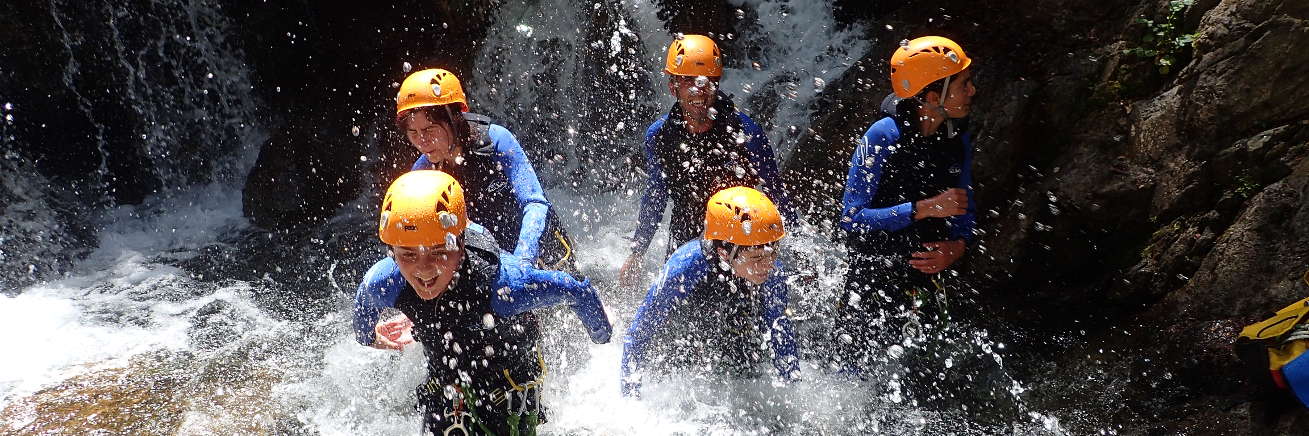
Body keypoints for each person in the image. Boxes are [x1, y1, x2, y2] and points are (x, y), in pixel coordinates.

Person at [353, 170, 612, 435]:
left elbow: (575, 289)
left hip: (511, 373)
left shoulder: (503, 287)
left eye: (439, 252)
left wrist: (602, 336)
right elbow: (363, 302)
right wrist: (367, 336)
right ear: (392, 252)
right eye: (408, 254)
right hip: (447, 376)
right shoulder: (386, 281)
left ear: (461, 244)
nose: (424, 269)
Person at [833, 35, 977, 385]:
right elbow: (851, 220)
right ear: (931, 98)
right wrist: (923, 209)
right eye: (964, 84)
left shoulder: (956, 140)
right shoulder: (882, 136)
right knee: (856, 383)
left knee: (926, 385)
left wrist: (957, 247)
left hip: (926, 278)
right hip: (872, 280)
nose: (971, 91)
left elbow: (964, 204)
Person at [617, 34, 794, 287]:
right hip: (685, 239)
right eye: (688, 80)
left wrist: (795, 254)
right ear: (673, 86)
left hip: (739, 247)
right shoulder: (660, 136)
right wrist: (637, 252)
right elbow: (656, 194)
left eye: (707, 81)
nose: (698, 89)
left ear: (717, 84)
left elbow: (776, 194)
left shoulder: (746, 133)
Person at [621, 186, 798, 397]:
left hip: (734, 310)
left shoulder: (771, 269)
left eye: (773, 253)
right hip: (688, 316)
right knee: (676, 361)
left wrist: (791, 389)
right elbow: (639, 332)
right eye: (758, 258)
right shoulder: (684, 267)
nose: (769, 265)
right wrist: (630, 398)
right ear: (724, 252)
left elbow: (780, 329)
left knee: (746, 363)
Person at [396, 68, 575, 272]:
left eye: (429, 129)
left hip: (542, 248)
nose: (422, 140)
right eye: (413, 132)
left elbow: (535, 202)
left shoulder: (497, 141)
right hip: (490, 261)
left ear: (454, 118)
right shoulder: (423, 171)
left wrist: (524, 261)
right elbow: (414, 236)